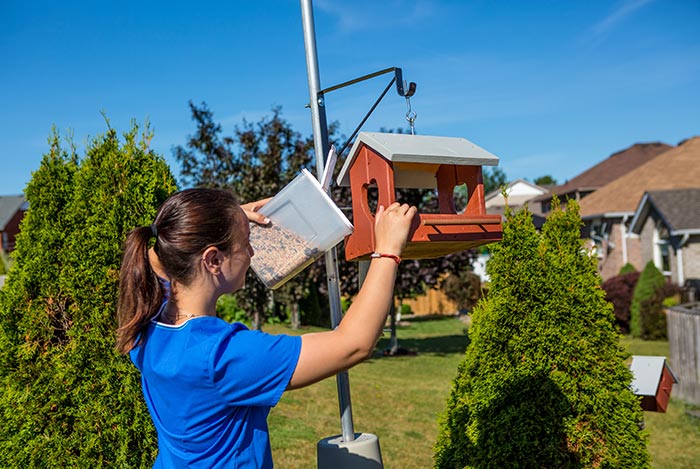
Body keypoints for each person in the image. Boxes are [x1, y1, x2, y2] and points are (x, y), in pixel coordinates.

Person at [116, 187, 416, 468]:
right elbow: (354, 343)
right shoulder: (224, 356)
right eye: (245, 242)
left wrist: (228, 217)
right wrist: (388, 250)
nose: (252, 252)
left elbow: (161, 254)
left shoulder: (147, 326)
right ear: (213, 259)